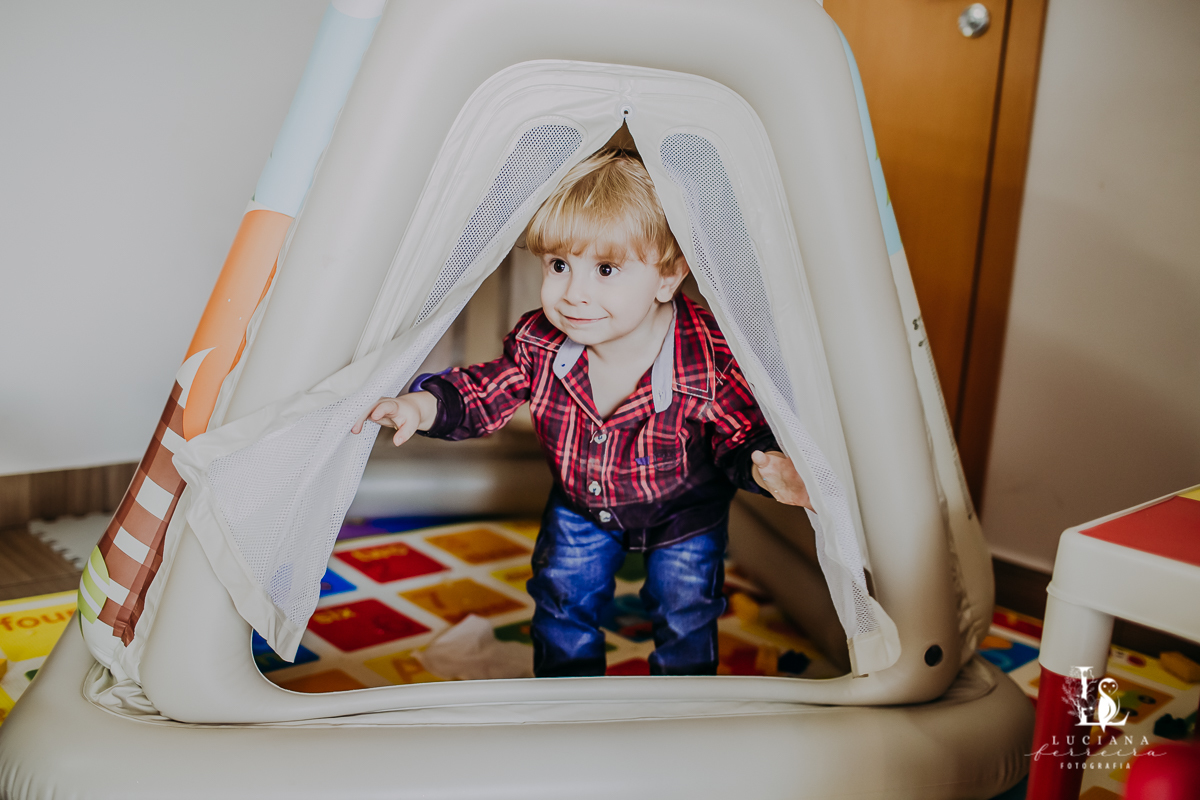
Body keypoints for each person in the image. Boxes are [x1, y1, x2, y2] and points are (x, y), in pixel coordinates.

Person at [353, 148, 812, 677]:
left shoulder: (705, 357)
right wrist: (423, 404)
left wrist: (761, 460)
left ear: (667, 277)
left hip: (685, 515)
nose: (573, 293)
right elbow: (486, 390)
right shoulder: (541, 343)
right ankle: (566, 702)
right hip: (581, 505)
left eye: (606, 269)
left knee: (685, 611)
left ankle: (682, 713)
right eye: (559, 265)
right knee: (562, 602)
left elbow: (737, 433)